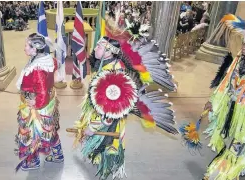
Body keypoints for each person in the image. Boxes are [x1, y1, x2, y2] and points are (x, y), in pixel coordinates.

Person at [69, 19, 178, 179]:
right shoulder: (104, 64)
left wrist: (93, 128)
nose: (95, 48)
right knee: (100, 147)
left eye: (99, 46)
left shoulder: (113, 75)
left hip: (108, 122)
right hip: (102, 115)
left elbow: (109, 113)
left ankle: (105, 168)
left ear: (109, 51)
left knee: (106, 147)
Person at [181, 12, 245, 180]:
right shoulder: (237, 63)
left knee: (226, 166)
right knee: (228, 153)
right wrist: (212, 101)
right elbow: (225, 86)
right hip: (230, 120)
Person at [15, 33, 63, 171]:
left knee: (32, 134)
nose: (24, 48)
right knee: (49, 130)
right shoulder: (47, 59)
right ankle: (58, 154)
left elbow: (41, 91)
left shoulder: (37, 68)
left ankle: (33, 161)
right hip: (47, 103)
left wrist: (35, 105)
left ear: (35, 49)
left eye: (26, 45)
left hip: (37, 109)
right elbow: (50, 82)